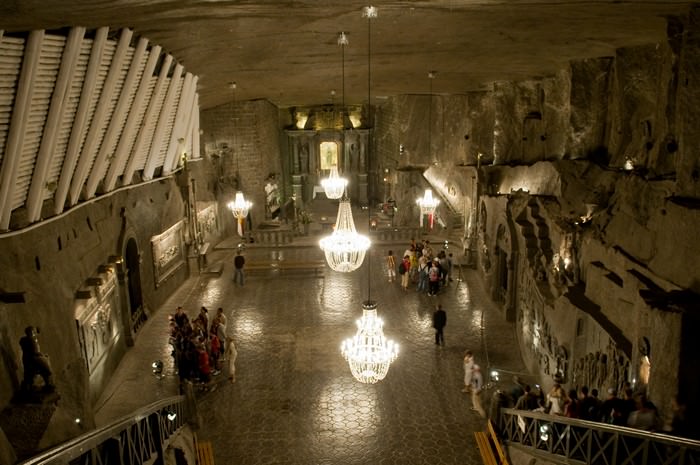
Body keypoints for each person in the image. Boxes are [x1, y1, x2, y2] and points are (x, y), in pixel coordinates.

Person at [19, 326, 55, 392]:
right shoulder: (30, 341)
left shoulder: (28, 340)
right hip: (32, 361)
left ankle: (48, 386)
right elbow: (35, 352)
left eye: (34, 332)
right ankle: (29, 388)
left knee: (34, 374)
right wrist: (43, 356)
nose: (34, 334)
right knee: (44, 370)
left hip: (30, 361)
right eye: (32, 333)